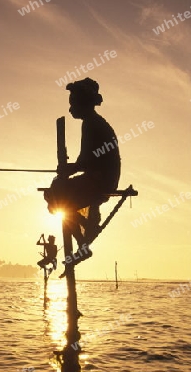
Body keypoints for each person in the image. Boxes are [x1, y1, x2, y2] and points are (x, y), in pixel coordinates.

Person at [44, 78, 121, 264]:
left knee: (57, 193)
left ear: (83, 103)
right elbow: (86, 161)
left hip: (100, 180)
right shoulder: (94, 122)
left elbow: (85, 161)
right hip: (100, 178)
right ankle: (84, 238)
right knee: (56, 190)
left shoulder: (92, 124)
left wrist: (68, 169)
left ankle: (85, 233)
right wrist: (70, 169)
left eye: (73, 104)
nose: (70, 109)